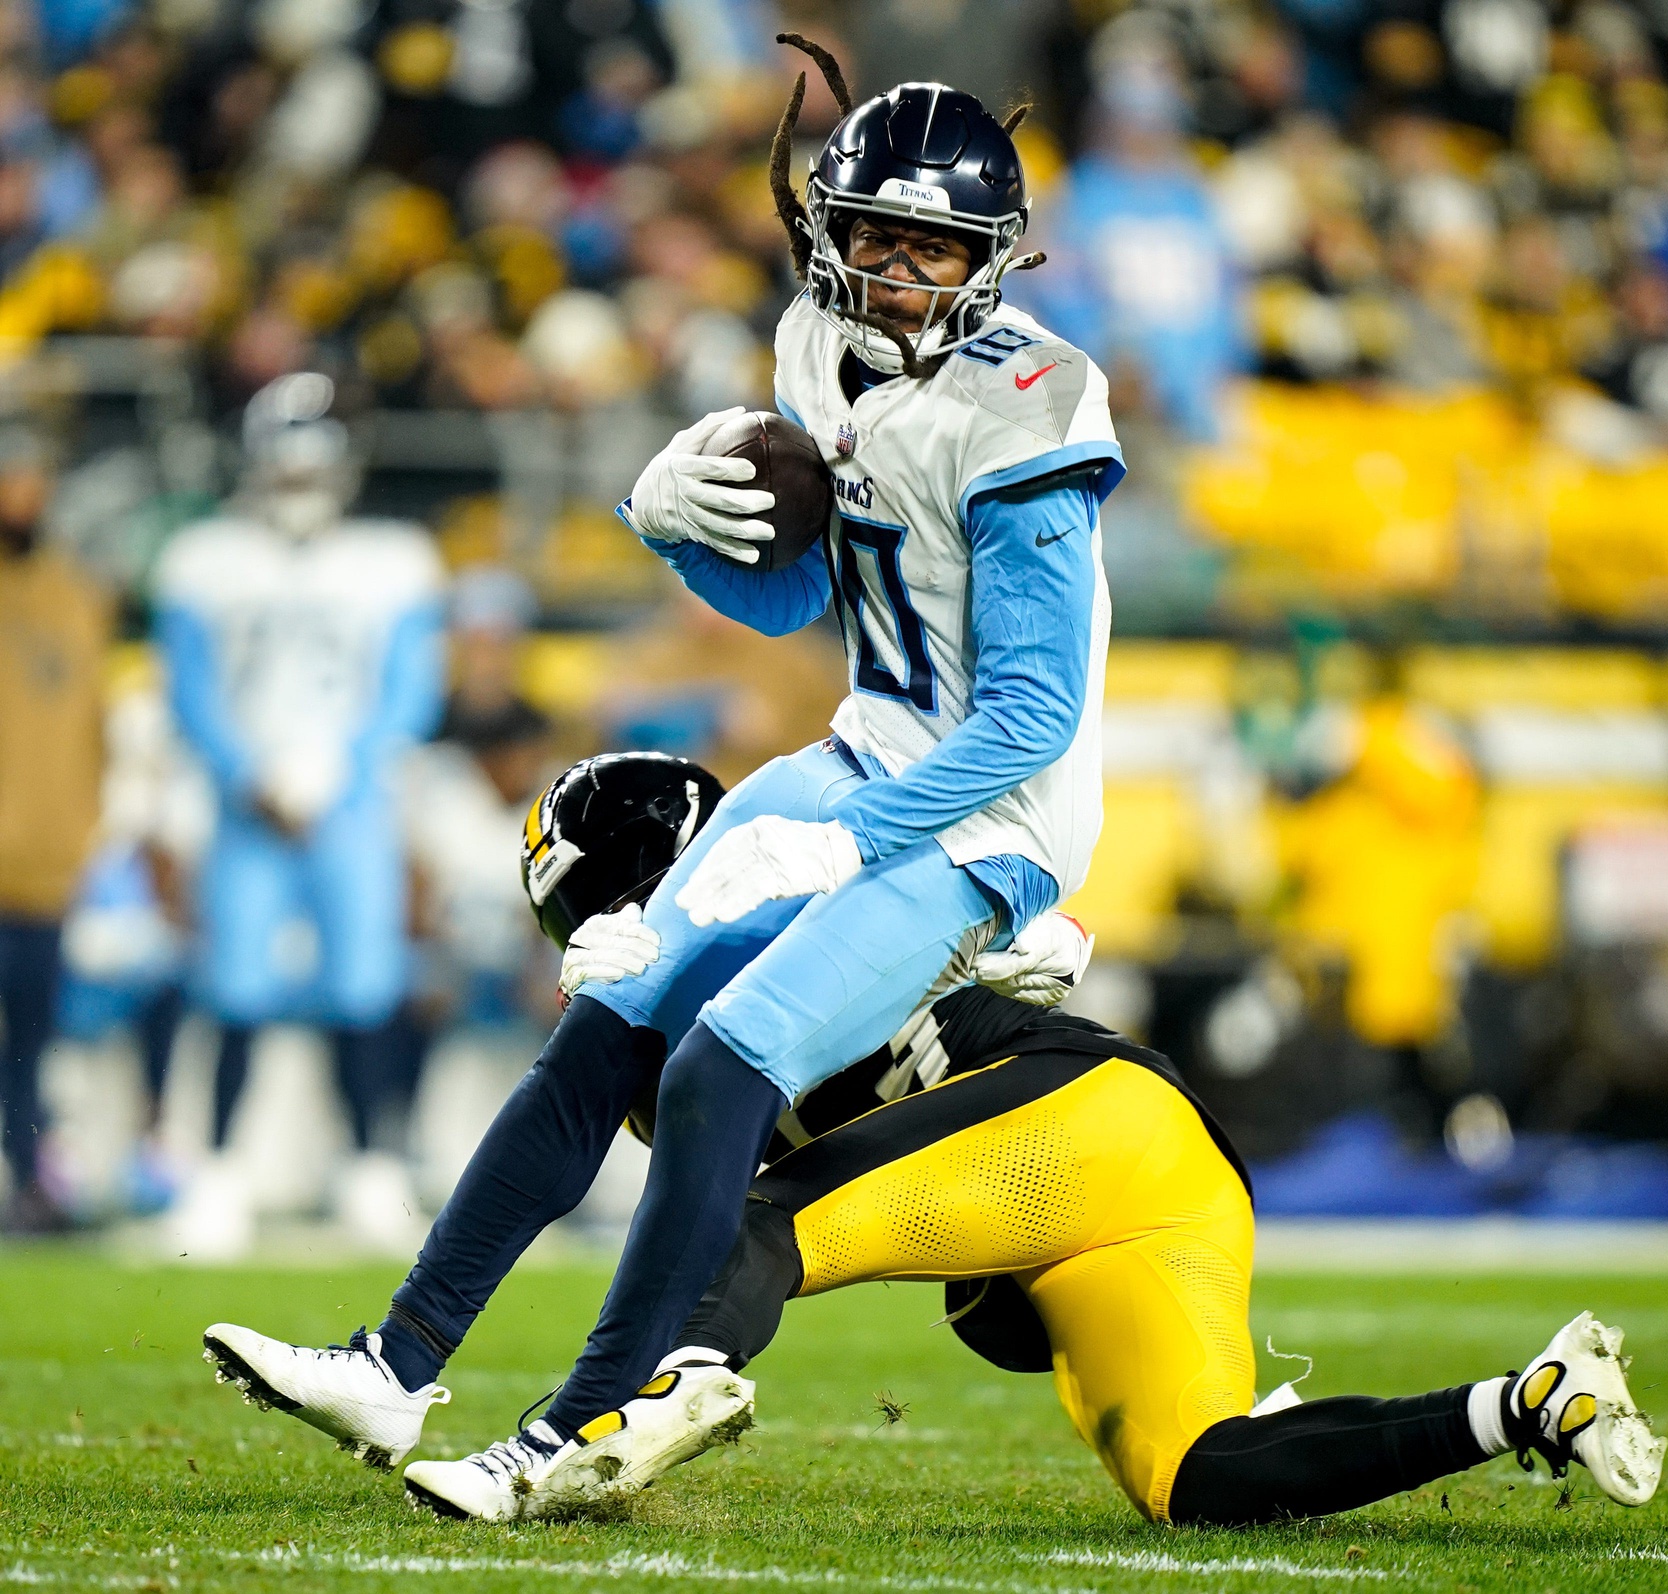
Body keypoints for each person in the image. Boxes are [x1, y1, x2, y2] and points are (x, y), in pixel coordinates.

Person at [201, 43, 1125, 1490]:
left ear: (988, 261)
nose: (892, 274)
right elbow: (804, 602)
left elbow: (1030, 720)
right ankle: (393, 1365)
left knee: (721, 1061)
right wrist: (669, 522)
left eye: (929, 247)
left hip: (982, 820)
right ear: (828, 228)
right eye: (872, 236)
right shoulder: (811, 350)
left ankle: (573, 1423)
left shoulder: (1031, 409)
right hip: (863, 751)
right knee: (609, 1016)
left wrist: (850, 840)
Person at [206, 752, 1666, 1524]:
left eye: (595, 920)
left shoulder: (763, 902)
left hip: (1080, 1114)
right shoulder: (784, 914)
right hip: (1149, 1177)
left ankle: (615, 1412)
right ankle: (1521, 1403)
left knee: (756, 1217)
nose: (596, 954)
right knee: (1201, 1478)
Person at [152, 372, 446, 1257]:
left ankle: (368, 1166)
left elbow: (410, 689)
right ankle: (217, 1173)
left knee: (367, 984)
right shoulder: (206, 558)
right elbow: (191, 689)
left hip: (348, 803)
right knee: (233, 985)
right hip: (250, 804)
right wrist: (252, 772)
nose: (298, 488)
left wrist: (337, 769)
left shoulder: (391, 561)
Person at [0, 428, 108, 1234]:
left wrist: (81, 833)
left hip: (44, 869)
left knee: (33, 1043)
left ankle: (30, 1183)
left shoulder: (78, 597)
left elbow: (90, 731)